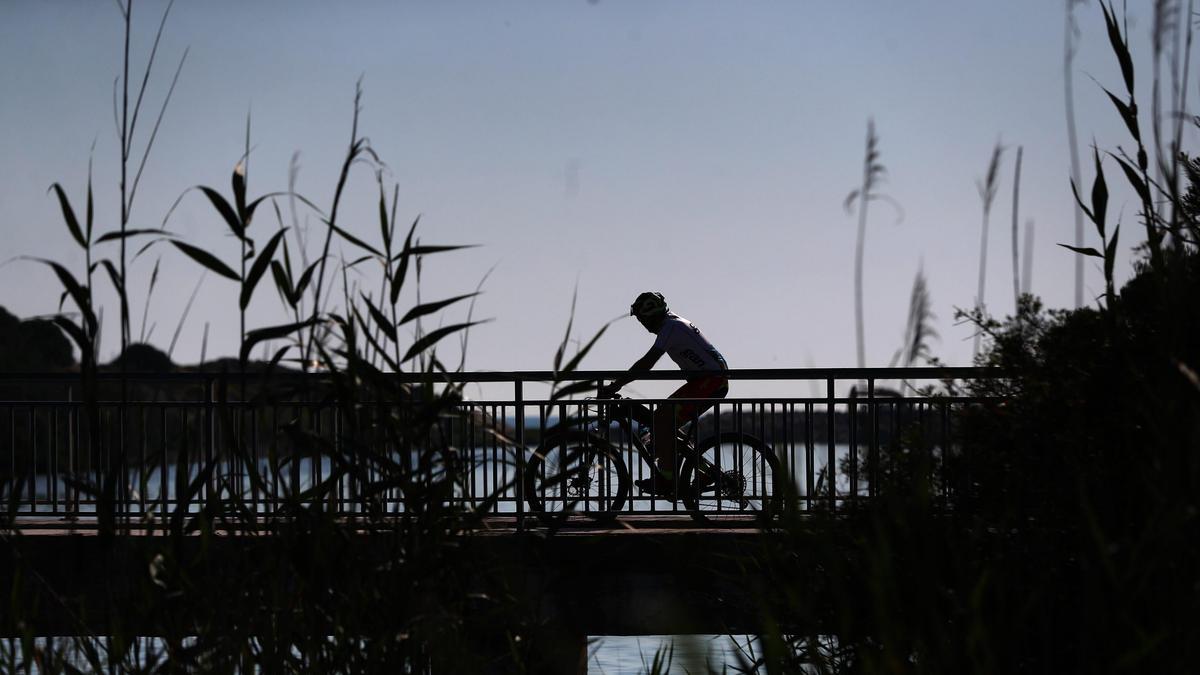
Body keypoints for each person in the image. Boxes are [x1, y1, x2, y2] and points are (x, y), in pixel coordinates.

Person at [598, 291, 729, 495]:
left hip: (710, 382)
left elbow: (646, 363)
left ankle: (668, 480)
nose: (643, 325)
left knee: (661, 420)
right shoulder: (673, 323)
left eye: (642, 320)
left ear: (650, 316)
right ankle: (705, 471)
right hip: (707, 380)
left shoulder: (670, 327)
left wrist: (617, 384)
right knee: (662, 421)